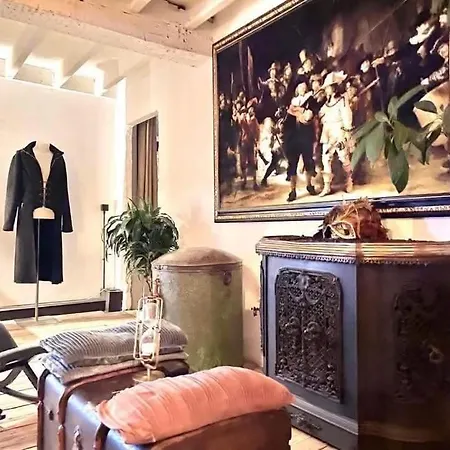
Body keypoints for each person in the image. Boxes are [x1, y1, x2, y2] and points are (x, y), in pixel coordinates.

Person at [318, 71, 354, 197]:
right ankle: (327, 186)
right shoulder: (326, 103)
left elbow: (347, 117)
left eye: (328, 87)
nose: (326, 89)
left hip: (339, 131)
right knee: (325, 158)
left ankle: (349, 181)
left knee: (343, 157)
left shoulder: (342, 100)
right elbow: (321, 114)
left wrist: (346, 133)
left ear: (334, 87)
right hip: (327, 132)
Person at [283, 78, 318, 202]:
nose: (302, 89)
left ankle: (309, 185)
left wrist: (301, 113)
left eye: (304, 87)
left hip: (305, 136)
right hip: (293, 138)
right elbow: (288, 122)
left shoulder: (310, 100)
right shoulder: (292, 102)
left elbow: (309, 116)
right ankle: (292, 191)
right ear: (297, 89)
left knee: (308, 161)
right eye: (300, 87)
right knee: (292, 163)